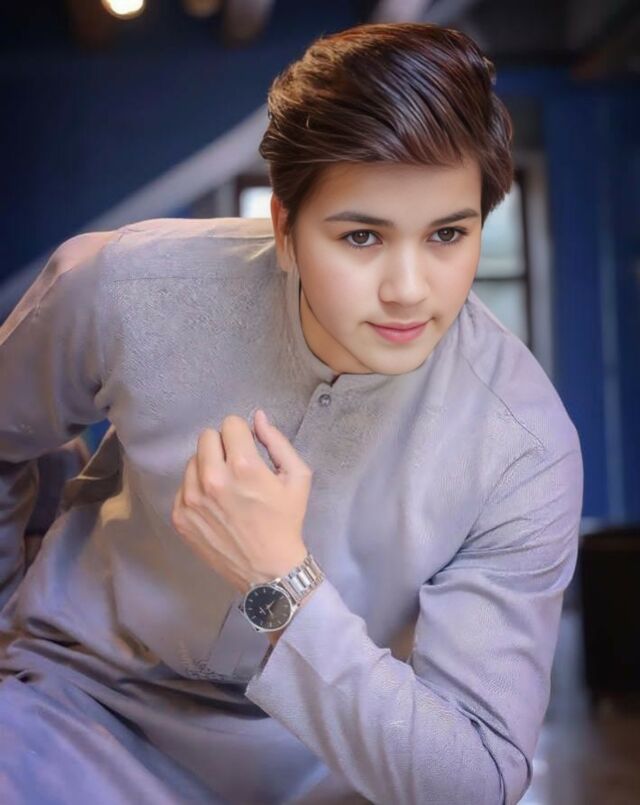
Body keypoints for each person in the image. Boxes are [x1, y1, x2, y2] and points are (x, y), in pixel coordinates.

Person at [0, 20, 583, 805]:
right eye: (362, 236)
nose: (410, 289)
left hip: (328, 765)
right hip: (73, 714)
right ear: (285, 229)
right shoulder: (125, 288)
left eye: (448, 234)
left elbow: (476, 781)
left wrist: (279, 580)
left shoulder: (524, 448)